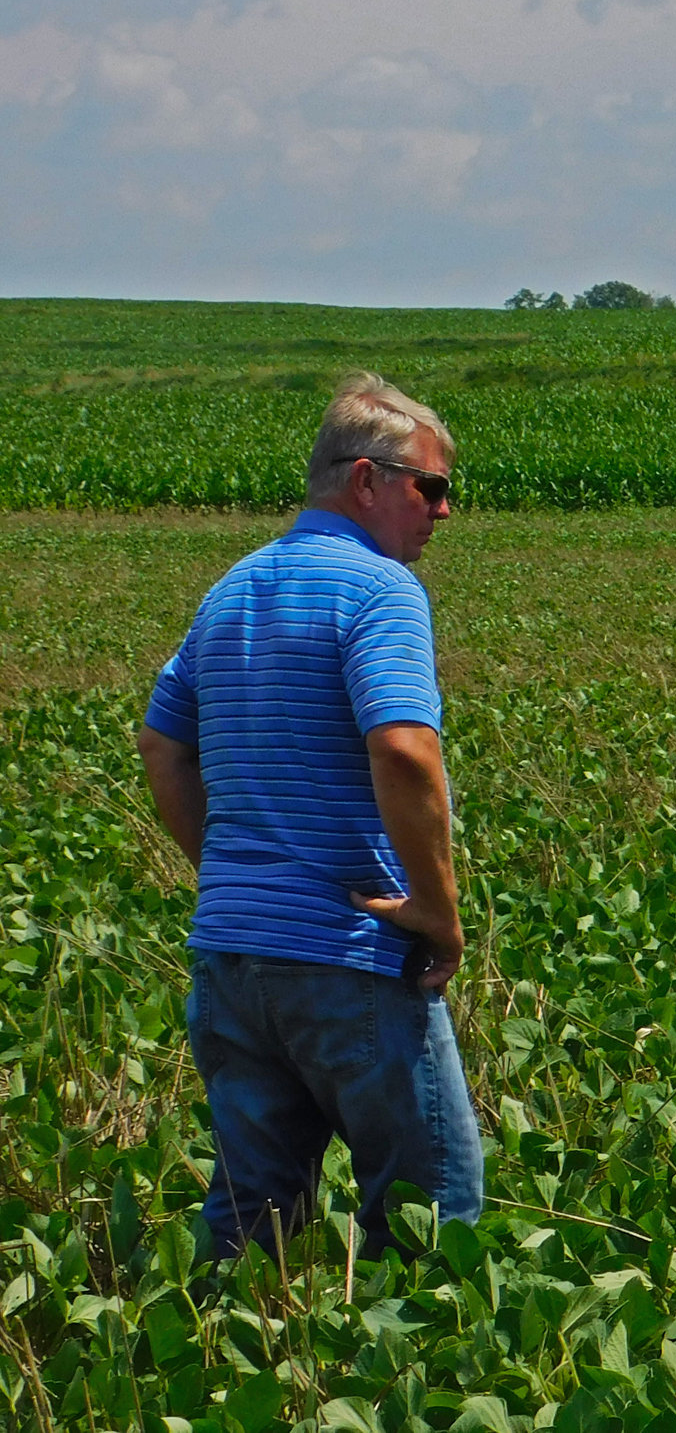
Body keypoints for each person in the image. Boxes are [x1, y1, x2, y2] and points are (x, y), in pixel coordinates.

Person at [135, 372, 482, 1259]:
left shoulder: (231, 589)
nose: (443, 512)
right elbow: (404, 749)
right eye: (431, 488)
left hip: (232, 959)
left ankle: (219, 1377)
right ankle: (419, 1386)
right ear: (367, 481)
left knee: (256, 1216)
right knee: (430, 1210)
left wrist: (229, 873)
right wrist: (437, 914)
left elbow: (160, 744)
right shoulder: (379, 590)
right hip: (346, 954)